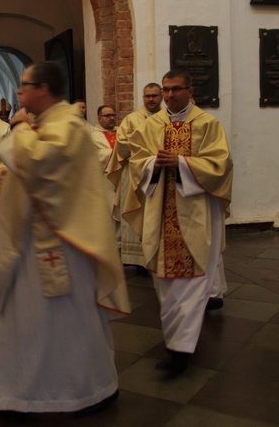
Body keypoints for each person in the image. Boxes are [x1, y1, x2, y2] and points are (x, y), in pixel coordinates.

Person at [0, 61, 130, 416]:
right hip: (32, 240)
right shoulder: (48, 123)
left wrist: (19, 128)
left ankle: (80, 389)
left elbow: (39, 164)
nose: (19, 93)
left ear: (43, 89)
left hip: (60, 245)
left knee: (57, 323)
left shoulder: (67, 124)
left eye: (25, 86)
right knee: (19, 318)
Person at [124, 70, 233, 377]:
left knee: (194, 281)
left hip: (197, 212)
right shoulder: (152, 125)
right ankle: (176, 341)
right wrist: (151, 164)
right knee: (165, 280)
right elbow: (136, 160)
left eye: (175, 90)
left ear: (190, 90)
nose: (169, 96)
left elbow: (221, 165)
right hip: (161, 211)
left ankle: (181, 350)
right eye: (166, 90)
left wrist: (182, 163)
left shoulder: (209, 124)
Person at [107, 83, 162, 267]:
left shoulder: (167, 119)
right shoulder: (131, 120)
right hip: (134, 174)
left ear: (160, 96)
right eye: (148, 96)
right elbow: (121, 145)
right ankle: (136, 259)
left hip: (159, 174)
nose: (151, 99)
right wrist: (149, 152)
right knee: (136, 209)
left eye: (154, 95)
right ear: (143, 97)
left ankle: (157, 253)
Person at [92, 105, 118, 213]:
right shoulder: (93, 136)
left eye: (113, 115)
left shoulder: (122, 132)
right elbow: (93, 156)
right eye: (107, 116)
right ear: (99, 118)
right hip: (105, 179)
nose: (111, 118)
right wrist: (115, 153)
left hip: (122, 176)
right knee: (108, 210)